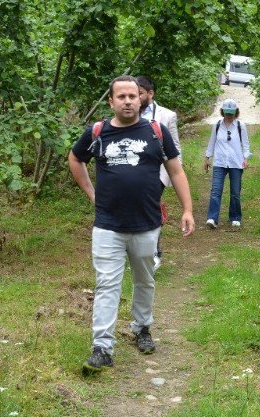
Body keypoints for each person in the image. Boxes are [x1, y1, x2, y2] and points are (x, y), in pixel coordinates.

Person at [69, 76, 195, 375]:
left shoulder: (156, 131)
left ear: (141, 100)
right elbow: (75, 159)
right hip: (107, 225)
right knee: (107, 285)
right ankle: (102, 347)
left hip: (146, 223)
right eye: (121, 96)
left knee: (145, 279)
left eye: (132, 96)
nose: (127, 101)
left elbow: (175, 171)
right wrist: (92, 194)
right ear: (111, 102)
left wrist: (188, 210)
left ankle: (141, 328)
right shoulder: (98, 132)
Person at [137, 75, 181, 271]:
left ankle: (154, 253)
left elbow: (175, 149)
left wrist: (172, 176)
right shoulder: (128, 113)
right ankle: (137, 252)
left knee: (149, 208)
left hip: (158, 174)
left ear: (150, 94)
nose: (134, 98)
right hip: (132, 173)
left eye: (139, 94)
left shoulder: (167, 116)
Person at [204, 98, 251, 228]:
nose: (229, 115)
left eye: (231, 112)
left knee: (235, 192)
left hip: (236, 162)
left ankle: (235, 217)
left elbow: (245, 144)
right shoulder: (217, 125)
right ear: (222, 111)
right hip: (219, 162)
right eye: (226, 112)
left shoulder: (241, 126)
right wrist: (207, 157)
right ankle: (212, 218)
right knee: (216, 191)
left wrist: (246, 158)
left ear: (236, 112)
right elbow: (212, 142)